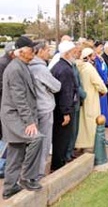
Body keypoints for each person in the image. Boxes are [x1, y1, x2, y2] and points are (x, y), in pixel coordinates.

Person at [1, 36, 43, 199]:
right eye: (31, 48)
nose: (34, 51)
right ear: (21, 51)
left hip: (17, 116)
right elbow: (19, 99)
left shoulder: (22, 66)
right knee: (36, 139)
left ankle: (10, 187)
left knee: (16, 152)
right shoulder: (15, 69)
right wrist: (29, 122)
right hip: (15, 117)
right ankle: (26, 178)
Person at [29, 42, 61, 180]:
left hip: (33, 108)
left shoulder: (28, 66)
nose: (49, 52)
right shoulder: (40, 69)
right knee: (44, 142)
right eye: (47, 50)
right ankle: (39, 173)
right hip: (44, 108)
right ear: (40, 51)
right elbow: (56, 86)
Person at [50, 41, 78, 172]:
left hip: (59, 108)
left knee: (59, 139)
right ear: (67, 54)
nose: (75, 55)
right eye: (73, 52)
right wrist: (66, 112)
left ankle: (57, 163)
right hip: (63, 110)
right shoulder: (65, 69)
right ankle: (58, 166)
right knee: (62, 139)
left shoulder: (60, 66)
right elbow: (66, 92)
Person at [75, 47, 107, 150]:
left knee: (82, 122)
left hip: (82, 97)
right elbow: (98, 82)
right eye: (92, 55)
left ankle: (80, 144)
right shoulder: (89, 67)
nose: (94, 57)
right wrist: (103, 90)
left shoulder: (78, 66)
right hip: (91, 97)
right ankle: (90, 144)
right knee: (92, 121)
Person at [66, 43, 86, 162]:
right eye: (77, 52)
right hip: (72, 101)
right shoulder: (69, 66)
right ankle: (68, 153)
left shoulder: (74, 64)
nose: (78, 54)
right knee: (71, 130)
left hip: (77, 101)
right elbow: (75, 84)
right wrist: (83, 94)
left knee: (75, 129)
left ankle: (71, 150)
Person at [0, 42, 16, 178]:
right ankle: (1, 166)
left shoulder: (7, 63)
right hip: (4, 105)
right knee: (4, 137)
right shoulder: (4, 64)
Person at [93, 41, 108, 127]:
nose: (101, 49)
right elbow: (98, 71)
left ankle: (105, 120)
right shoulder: (95, 59)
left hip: (105, 82)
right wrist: (104, 79)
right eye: (100, 47)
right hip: (101, 82)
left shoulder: (100, 58)